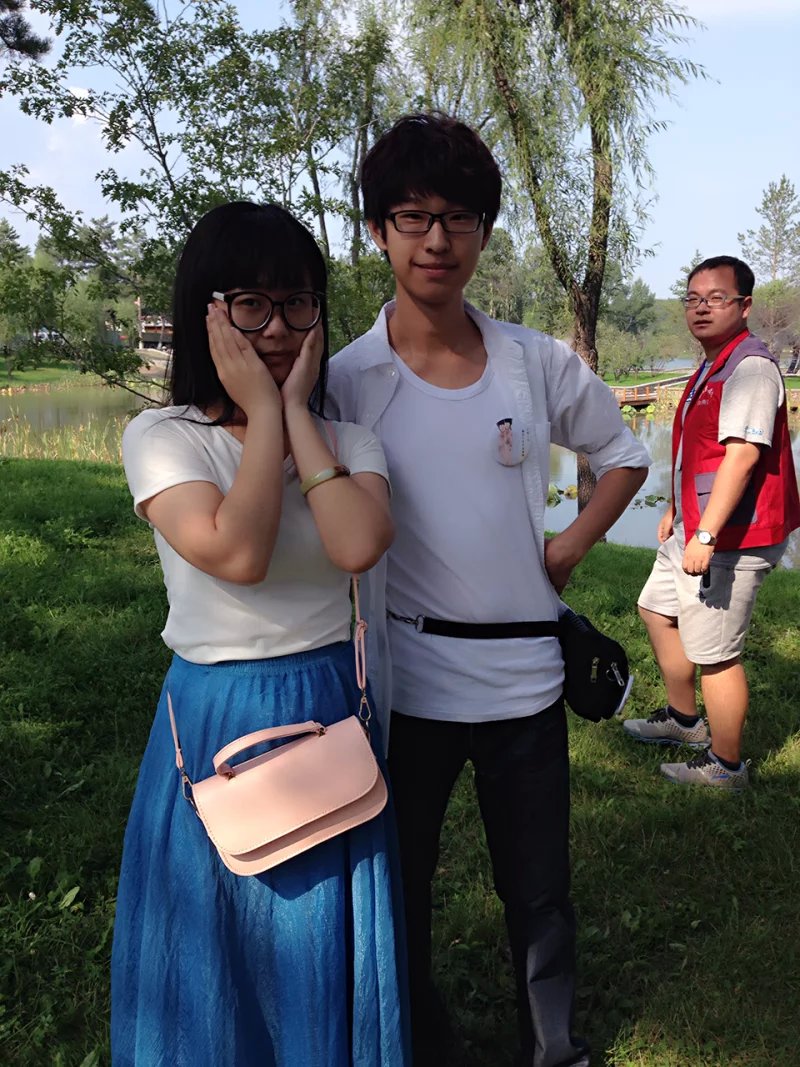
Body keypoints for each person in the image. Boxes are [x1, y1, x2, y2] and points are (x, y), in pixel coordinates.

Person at [326, 112, 650, 1067]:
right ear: (379, 230)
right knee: (404, 885)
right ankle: (421, 1040)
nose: (436, 240)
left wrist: (569, 546)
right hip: (408, 686)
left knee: (539, 888)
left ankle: (554, 1045)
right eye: (412, 217)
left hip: (525, 682)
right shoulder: (349, 379)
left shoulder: (531, 361)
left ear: (482, 230)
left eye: (458, 217)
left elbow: (623, 454)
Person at [110, 202, 410, 1066]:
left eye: (297, 303)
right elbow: (236, 553)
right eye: (251, 304)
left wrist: (294, 416)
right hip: (218, 707)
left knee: (314, 933)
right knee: (215, 937)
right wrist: (262, 414)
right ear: (207, 312)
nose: (277, 328)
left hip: (327, 705)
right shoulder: (162, 437)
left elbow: (356, 543)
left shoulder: (349, 439)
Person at [623, 255, 800, 790]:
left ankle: (726, 767)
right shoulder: (711, 364)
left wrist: (705, 534)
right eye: (693, 299)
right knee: (656, 609)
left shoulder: (750, 368)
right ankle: (684, 721)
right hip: (695, 526)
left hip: (731, 536)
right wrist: (675, 510)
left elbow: (742, 457)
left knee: (717, 654)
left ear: (744, 306)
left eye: (717, 298)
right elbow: (698, 451)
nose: (702, 308)